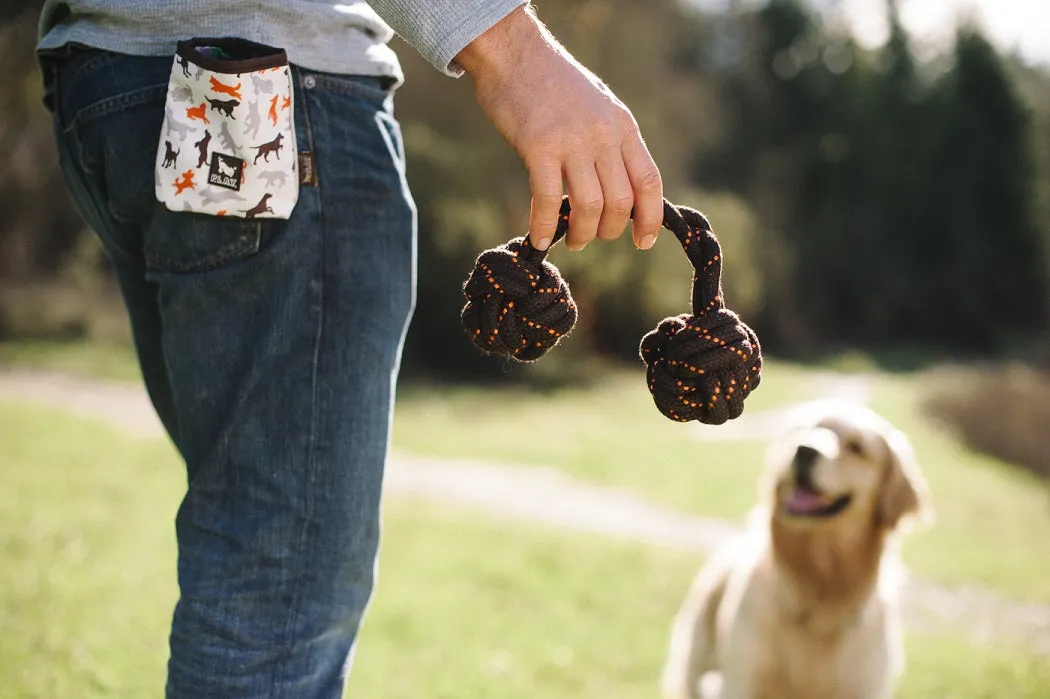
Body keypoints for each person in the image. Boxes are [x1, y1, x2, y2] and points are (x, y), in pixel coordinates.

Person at [37, 2, 664, 697]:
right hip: (273, 90)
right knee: (280, 569)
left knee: (257, 532)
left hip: (107, 85)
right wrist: (517, 56)